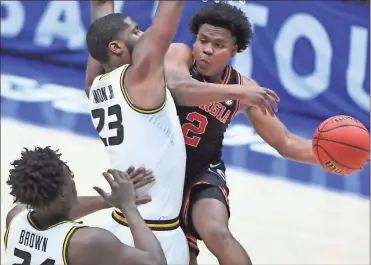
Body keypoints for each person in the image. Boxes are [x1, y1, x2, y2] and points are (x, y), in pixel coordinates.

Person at [164, 3, 321, 265]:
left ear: (233, 50)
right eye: (202, 40)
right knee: (182, 257)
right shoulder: (179, 55)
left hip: (202, 171)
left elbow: (286, 141)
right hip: (160, 171)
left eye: (218, 44)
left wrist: (331, 158)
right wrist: (238, 94)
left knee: (217, 232)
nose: (207, 49)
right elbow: (179, 88)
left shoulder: (244, 88)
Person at [85, 1, 191, 264]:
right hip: (156, 234)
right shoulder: (140, 78)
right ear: (116, 48)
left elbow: (100, 11)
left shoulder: (93, 87)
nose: (143, 35)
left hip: (120, 226)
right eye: (135, 31)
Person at [4, 146, 166, 265]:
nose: (73, 177)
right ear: (61, 194)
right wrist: (128, 206)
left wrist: (107, 200)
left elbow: (55, 213)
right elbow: (155, 263)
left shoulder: (15, 218)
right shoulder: (87, 242)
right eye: (70, 176)